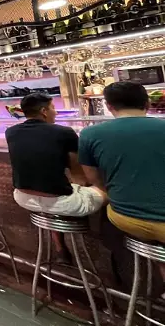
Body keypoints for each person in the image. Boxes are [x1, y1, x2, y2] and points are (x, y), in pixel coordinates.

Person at [78, 82, 165, 286]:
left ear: (108, 106)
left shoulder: (90, 134)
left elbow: (94, 180)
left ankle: (128, 286)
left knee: (106, 215)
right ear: (147, 103)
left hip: (126, 219)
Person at [6, 93, 105, 262]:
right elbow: (79, 175)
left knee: (53, 193)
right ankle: (107, 255)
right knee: (105, 192)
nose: (56, 113)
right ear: (44, 111)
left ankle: (61, 248)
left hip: (22, 197)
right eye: (53, 108)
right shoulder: (64, 132)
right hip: (59, 201)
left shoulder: (11, 132)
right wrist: (95, 186)